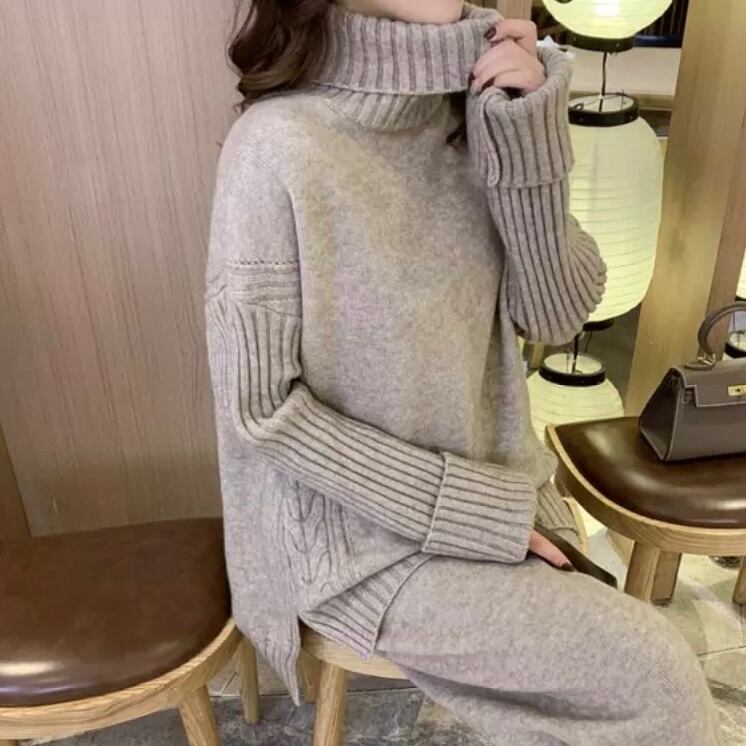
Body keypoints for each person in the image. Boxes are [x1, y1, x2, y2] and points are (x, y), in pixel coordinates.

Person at [204, 1, 720, 743]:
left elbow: (556, 316)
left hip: (496, 495)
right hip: (359, 542)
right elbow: (263, 408)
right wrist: (478, 514)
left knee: (616, 686)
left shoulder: (480, 110)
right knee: (653, 674)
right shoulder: (276, 146)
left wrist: (529, 145)